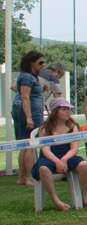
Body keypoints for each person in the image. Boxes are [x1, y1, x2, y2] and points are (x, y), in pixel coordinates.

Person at [31, 98, 87, 210]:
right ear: (55, 112)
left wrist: (64, 159)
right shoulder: (44, 129)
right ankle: (57, 201)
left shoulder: (73, 127)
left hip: (67, 157)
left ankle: (84, 198)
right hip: (49, 158)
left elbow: (74, 149)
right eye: (64, 109)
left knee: (84, 165)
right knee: (43, 169)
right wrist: (57, 161)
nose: (67, 112)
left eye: (68, 109)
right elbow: (46, 150)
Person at [12, 51, 46, 187]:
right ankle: (31, 177)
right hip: (31, 114)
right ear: (31, 62)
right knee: (31, 145)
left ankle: (22, 177)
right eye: (40, 62)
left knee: (25, 145)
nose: (43, 65)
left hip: (32, 113)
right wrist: (29, 118)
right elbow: (25, 98)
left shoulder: (31, 77)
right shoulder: (27, 77)